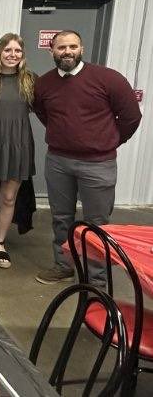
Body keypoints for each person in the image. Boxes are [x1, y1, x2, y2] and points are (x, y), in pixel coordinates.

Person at [33, 30, 142, 284]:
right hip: (58, 161)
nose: (67, 52)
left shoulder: (108, 79)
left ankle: (96, 279)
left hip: (98, 164)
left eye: (72, 46)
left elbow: (131, 117)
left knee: (97, 223)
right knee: (61, 218)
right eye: (61, 47)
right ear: (52, 51)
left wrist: (110, 140)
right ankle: (63, 265)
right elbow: (43, 113)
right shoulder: (44, 84)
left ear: (81, 49)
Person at [0, 33, 36, 269]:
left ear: (22, 54)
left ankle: (1, 243)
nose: (12, 55)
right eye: (8, 50)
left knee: (9, 197)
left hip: (18, 144)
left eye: (17, 51)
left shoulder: (31, 80)